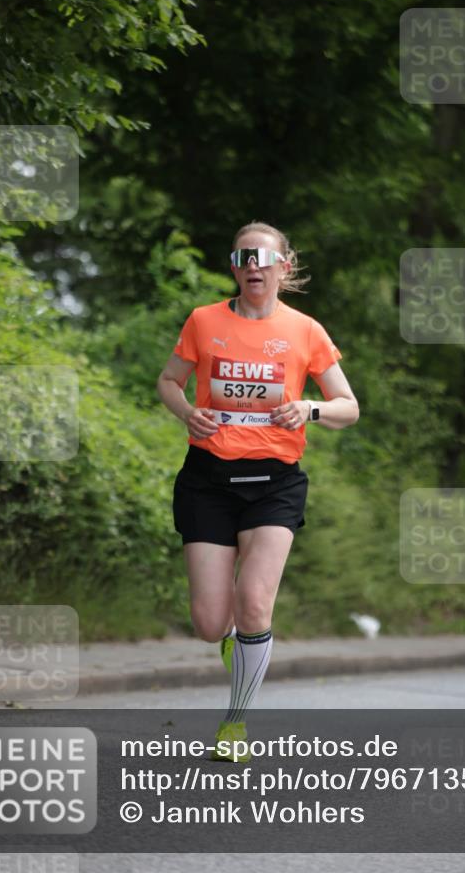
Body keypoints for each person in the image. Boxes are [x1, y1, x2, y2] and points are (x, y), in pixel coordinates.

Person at [156, 221, 359, 760]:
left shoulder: (305, 331)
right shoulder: (204, 322)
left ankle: (235, 723)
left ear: (282, 267)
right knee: (208, 623)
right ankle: (235, 645)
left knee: (254, 604)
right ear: (234, 266)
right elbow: (168, 381)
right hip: (208, 481)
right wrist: (188, 414)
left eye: (263, 258)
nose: (253, 266)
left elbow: (348, 406)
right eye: (243, 257)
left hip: (275, 484)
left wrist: (310, 407)